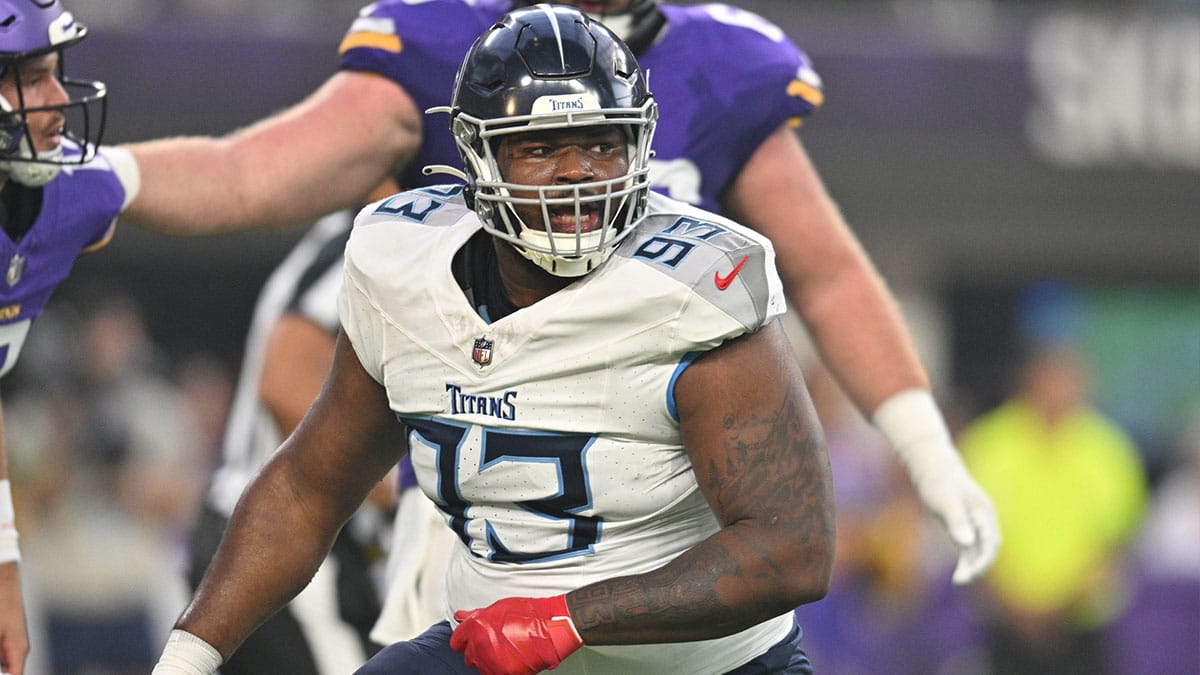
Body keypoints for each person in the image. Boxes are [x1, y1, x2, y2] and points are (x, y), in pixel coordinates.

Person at [123, 0, 996, 613]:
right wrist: (101, 183)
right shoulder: (448, 43)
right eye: (540, 146)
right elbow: (249, 174)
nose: (575, 174)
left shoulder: (724, 63)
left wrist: (926, 450)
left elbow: (827, 273)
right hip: (477, 507)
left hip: (654, 505)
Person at [0, 1, 330, 672]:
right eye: (32, 78)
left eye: (55, 73)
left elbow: (239, 180)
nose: (58, 98)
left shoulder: (60, 192)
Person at [959, 342, 1148, 675]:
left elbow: (1119, 543)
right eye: (1050, 377)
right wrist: (1012, 604)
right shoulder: (987, 445)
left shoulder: (1108, 450)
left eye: (1067, 378)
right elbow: (965, 534)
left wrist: (1061, 606)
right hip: (1006, 625)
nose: (1058, 389)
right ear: (1028, 379)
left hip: (1082, 625)